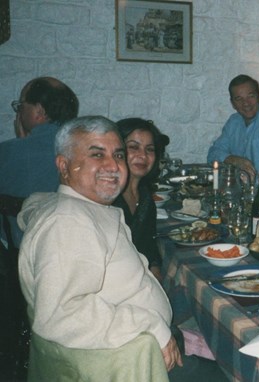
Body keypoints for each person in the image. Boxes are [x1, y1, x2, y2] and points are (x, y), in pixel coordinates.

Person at [17, 116, 182, 380]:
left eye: (117, 155)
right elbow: (62, 315)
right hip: (122, 364)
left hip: (135, 353)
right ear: (64, 166)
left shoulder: (87, 209)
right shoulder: (69, 223)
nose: (113, 165)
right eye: (97, 154)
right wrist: (153, 325)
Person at [0, 76, 79, 247]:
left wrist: (20, 145)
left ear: (39, 112)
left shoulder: (6, 152)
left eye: (21, 106)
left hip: (16, 255)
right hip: (67, 247)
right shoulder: (81, 150)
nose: (19, 113)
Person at [112, 118, 170, 282]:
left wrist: (155, 269)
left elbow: (149, 246)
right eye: (133, 147)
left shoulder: (145, 197)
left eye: (149, 149)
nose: (143, 155)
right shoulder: (108, 199)